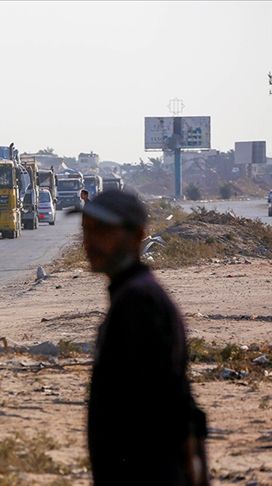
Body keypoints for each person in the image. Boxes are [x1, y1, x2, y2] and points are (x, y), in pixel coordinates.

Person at [74, 190, 209, 486]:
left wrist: (192, 466)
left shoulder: (138, 301)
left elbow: (171, 396)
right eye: (86, 230)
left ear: (137, 235)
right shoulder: (130, 295)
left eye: (102, 231)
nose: (89, 241)